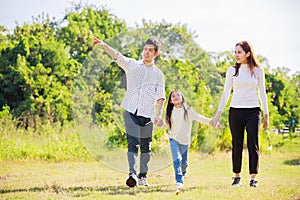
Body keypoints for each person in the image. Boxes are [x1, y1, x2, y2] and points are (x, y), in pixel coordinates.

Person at [93, 38, 165, 187]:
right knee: (132, 144)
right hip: (131, 110)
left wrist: (159, 115)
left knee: (146, 147)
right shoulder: (132, 65)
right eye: (145, 49)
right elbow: (117, 56)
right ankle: (132, 174)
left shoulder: (158, 74)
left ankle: (143, 176)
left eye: (150, 50)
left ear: (156, 53)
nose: (146, 52)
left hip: (148, 114)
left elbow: (160, 97)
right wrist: (105, 45)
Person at [210, 41, 269, 187]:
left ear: (248, 54)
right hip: (235, 110)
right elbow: (226, 93)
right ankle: (236, 176)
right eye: (235, 52)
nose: (236, 55)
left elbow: (262, 93)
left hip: (253, 111)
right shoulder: (231, 70)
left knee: (252, 143)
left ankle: (253, 178)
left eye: (239, 52)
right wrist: (218, 114)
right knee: (236, 144)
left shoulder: (258, 71)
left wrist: (266, 114)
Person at [157, 89, 219, 188]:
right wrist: (157, 122)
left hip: (185, 141)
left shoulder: (188, 111)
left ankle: (183, 172)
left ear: (182, 98)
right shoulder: (170, 112)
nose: (176, 97)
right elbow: (164, 125)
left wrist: (212, 122)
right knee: (177, 159)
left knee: (184, 163)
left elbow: (200, 118)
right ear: (170, 101)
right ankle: (179, 180)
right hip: (173, 139)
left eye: (178, 95)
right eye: (173, 96)